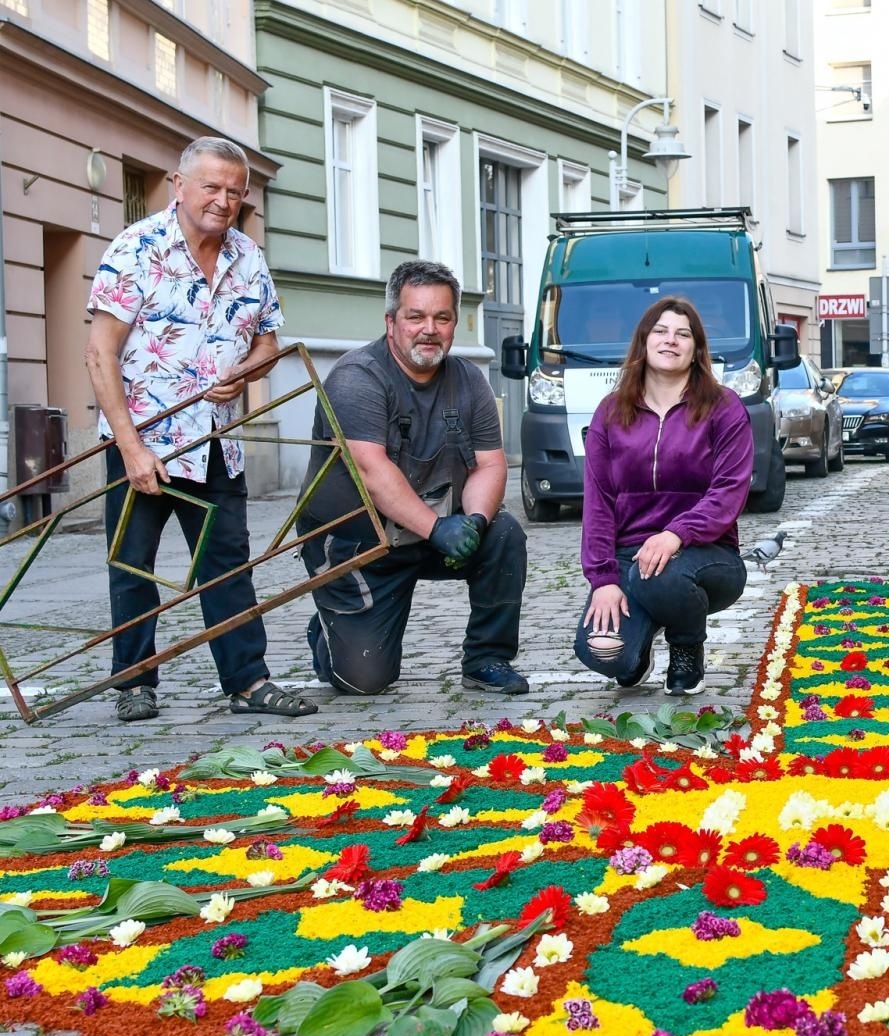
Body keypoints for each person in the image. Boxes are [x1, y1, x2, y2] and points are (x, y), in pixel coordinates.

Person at [84, 136, 315, 722]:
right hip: (144, 441)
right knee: (133, 565)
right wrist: (130, 448)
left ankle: (247, 682)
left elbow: (268, 342)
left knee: (227, 564)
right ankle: (135, 683)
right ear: (179, 185)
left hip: (216, 443)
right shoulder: (137, 247)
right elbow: (99, 353)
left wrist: (246, 372)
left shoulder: (249, 256)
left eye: (235, 192)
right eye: (211, 187)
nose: (223, 201)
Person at [297, 260, 528, 696]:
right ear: (391, 322)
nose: (429, 329)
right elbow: (371, 470)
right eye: (415, 316)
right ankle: (330, 632)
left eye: (442, 317)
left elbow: (490, 464)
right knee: (365, 680)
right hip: (358, 543)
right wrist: (437, 529)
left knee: (503, 534)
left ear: (454, 323)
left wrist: (474, 522)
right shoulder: (356, 378)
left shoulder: (469, 380)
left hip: (427, 532)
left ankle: (486, 659)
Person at [574, 297, 754, 697]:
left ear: (696, 349)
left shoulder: (723, 407)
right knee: (604, 654)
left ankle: (686, 645)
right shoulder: (610, 411)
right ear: (644, 341)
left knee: (661, 576)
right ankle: (637, 647)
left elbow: (729, 491)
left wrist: (676, 534)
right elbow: (598, 502)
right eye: (660, 331)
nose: (670, 340)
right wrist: (603, 579)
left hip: (706, 554)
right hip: (630, 555)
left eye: (682, 334)